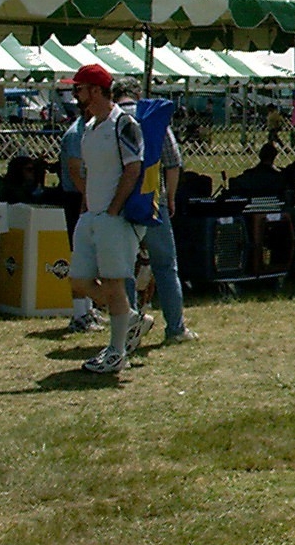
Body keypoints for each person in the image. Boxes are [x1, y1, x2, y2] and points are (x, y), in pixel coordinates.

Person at [68, 64, 148, 373]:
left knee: (115, 285)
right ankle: (128, 319)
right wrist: (89, 205)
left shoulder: (123, 124)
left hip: (114, 218)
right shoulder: (89, 127)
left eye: (80, 88)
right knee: (79, 280)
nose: (76, 94)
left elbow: (133, 168)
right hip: (91, 215)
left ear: (96, 90)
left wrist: (114, 208)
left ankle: (117, 352)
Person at [114, 81, 197, 345]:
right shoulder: (153, 117)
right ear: (138, 94)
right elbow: (173, 162)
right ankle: (176, 328)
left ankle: (130, 329)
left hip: (119, 200)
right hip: (152, 198)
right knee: (165, 266)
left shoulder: (110, 119)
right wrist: (170, 196)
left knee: (124, 268)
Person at [59, 104, 102, 332]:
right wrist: (88, 199)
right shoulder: (76, 135)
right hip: (78, 198)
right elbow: (76, 172)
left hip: (88, 197)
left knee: (92, 257)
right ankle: (79, 315)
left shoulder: (90, 132)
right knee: (80, 257)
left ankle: (89, 309)